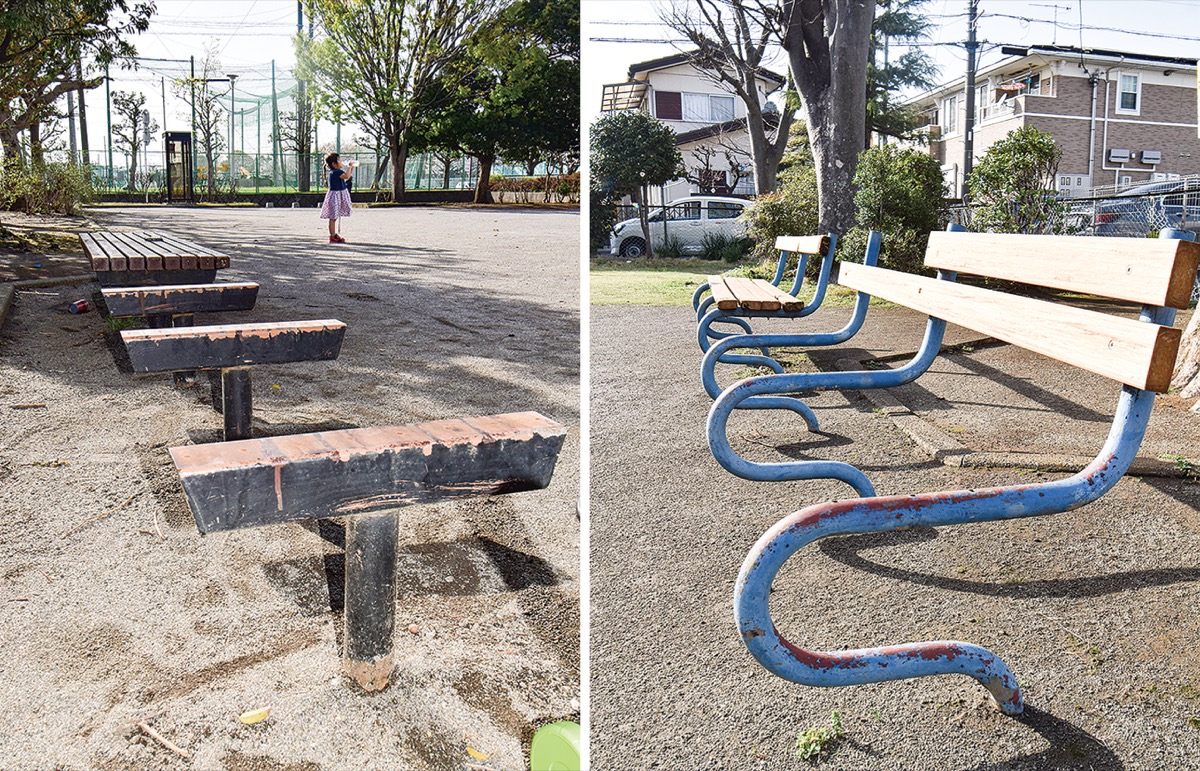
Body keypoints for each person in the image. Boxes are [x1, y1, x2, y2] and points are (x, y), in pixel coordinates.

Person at [320, 152, 355, 243]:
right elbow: (346, 176)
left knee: (334, 217)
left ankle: (334, 234)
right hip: (335, 196)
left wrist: (351, 168)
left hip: (338, 195)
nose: (341, 162)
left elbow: (347, 176)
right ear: (334, 164)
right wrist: (349, 167)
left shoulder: (336, 172)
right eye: (339, 160)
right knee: (333, 217)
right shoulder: (336, 172)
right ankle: (332, 235)